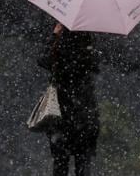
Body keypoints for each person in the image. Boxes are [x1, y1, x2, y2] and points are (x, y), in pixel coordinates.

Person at [38, 22, 100, 176]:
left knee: (60, 163)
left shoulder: (60, 45)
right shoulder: (87, 42)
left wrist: (54, 36)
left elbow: (43, 59)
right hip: (85, 114)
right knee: (83, 164)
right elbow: (94, 65)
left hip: (62, 113)